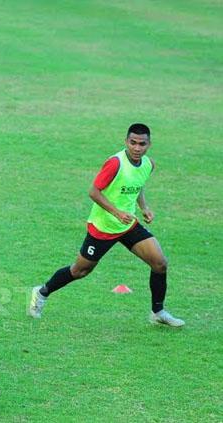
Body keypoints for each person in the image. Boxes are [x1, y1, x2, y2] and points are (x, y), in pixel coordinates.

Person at [28, 123, 185, 327]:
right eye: (133, 143)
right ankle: (41, 292)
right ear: (126, 141)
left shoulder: (148, 165)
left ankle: (158, 312)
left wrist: (144, 207)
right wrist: (117, 212)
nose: (137, 148)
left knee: (160, 263)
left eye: (142, 144)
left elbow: (137, 187)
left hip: (127, 225)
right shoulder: (115, 163)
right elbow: (94, 192)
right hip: (103, 228)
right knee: (80, 271)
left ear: (149, 144)